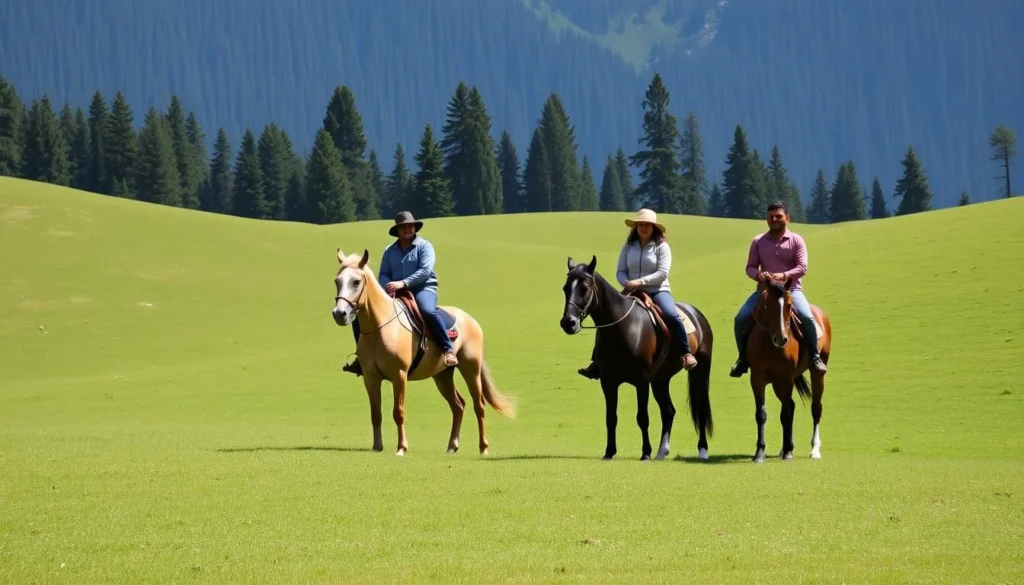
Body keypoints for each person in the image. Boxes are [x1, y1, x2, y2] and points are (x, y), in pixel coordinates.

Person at [578, 208, 698, 379]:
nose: (643, 228)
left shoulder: (661, 246)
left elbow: (662, 273)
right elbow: (620, 270)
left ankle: (686, 353)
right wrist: (626, 282)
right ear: (636, 227)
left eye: (647, 225)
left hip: (658, 290)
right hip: (631, 290)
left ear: (653, 227)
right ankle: (597, 361)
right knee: (608, 317)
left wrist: (640, 282)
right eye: (640, 225)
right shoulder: (629, 246)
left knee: (671, 315)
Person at [342, 211, 458, 376]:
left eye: (410, 226)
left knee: (426, 310)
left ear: (414, 228)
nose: (407, 229)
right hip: (395, 290)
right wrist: (386, 286)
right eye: (403, 227)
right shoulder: (389, 251)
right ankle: (361, 357)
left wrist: (404, 283)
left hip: (423, 287)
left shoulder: (424, 246)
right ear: (397, 230)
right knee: (360, 317)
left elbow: (425, 271)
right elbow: (384, 273)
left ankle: (448, 349)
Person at [729, 200, 827, 377]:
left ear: (787, 218)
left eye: (779, 216)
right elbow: (750, 267)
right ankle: (742, 359)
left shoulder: (796, 240)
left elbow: (802, 267)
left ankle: (814, 356)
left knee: (806, 316)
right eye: (771, 216)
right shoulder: (758, 241)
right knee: (740, 318)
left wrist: (783, 275)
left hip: (791, 290)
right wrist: (759, 275)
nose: (774, 219)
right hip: (764, 292)